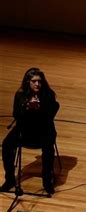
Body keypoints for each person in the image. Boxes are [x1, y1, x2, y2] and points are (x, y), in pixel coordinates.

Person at [1, 67, 60, 195]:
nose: (37, 84)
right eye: (34, 81)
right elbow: (16, 115)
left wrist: (39, 109)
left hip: (44, 129)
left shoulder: (48, 94)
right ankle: (9, 179)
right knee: (6, 145)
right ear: (28, 82)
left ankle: (47, 182)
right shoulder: (20, 95)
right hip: (25, 129)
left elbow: (49, 118)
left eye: (39, 81)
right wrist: (27, 107)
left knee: (48, 148)